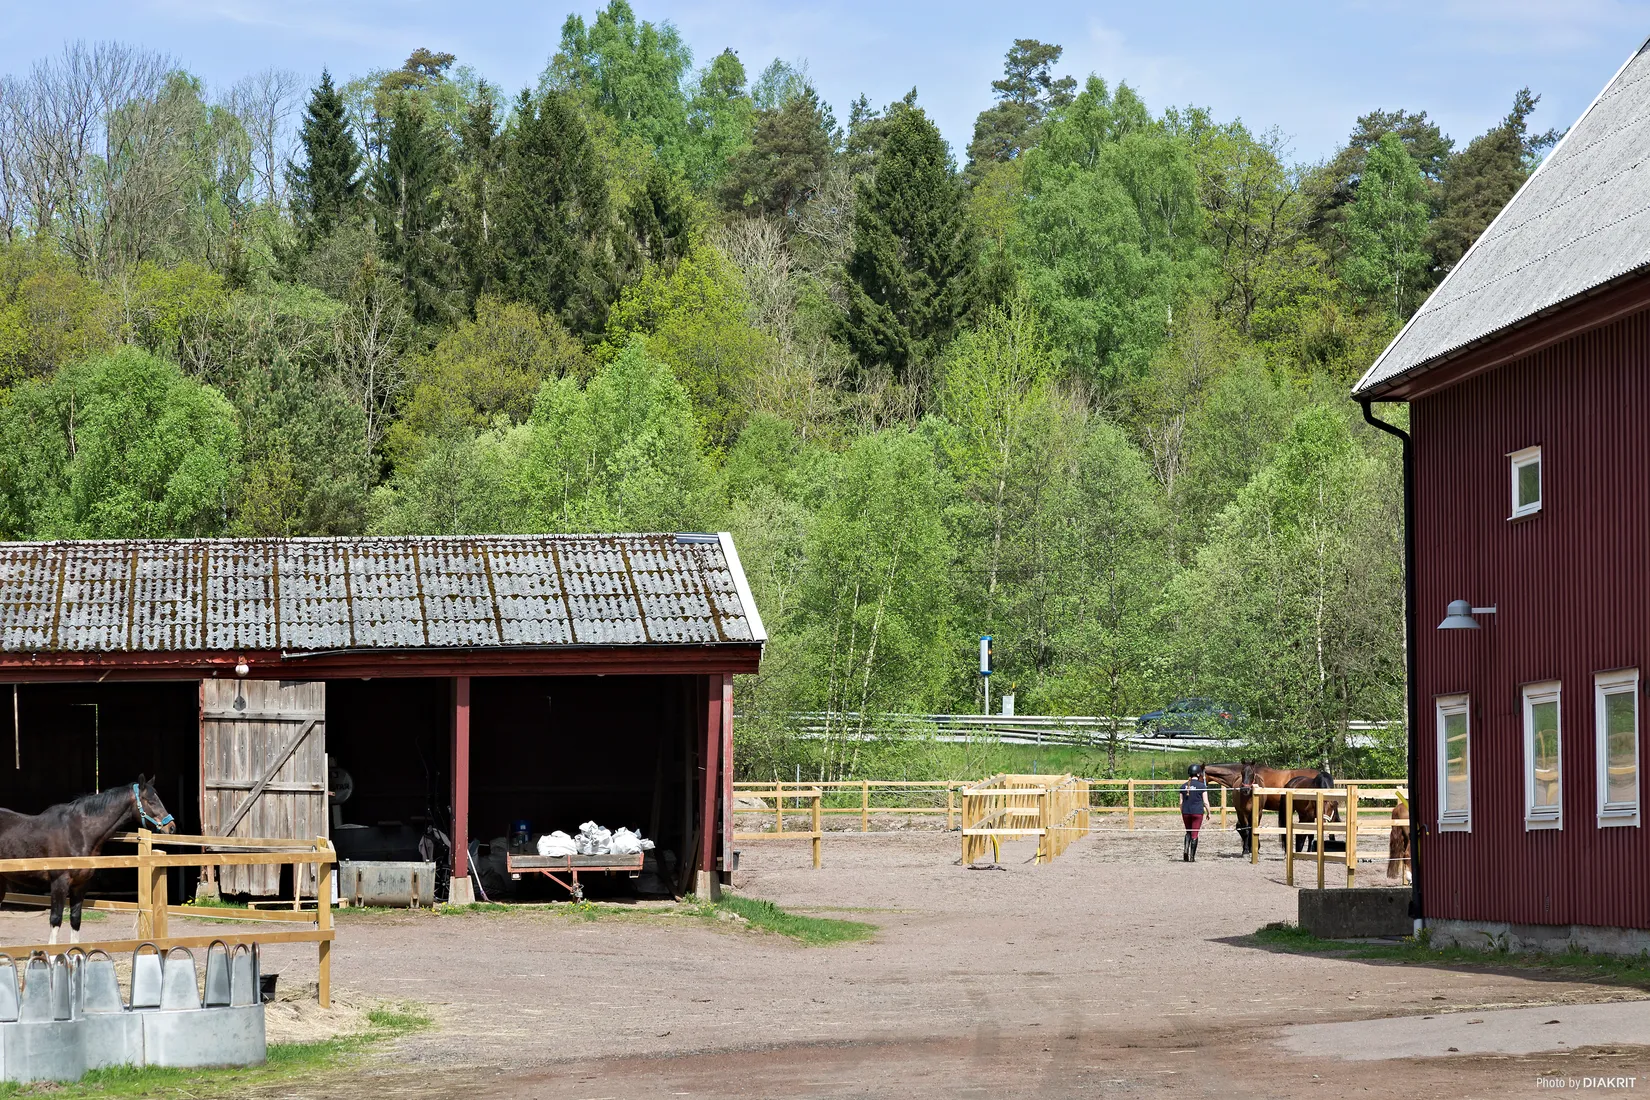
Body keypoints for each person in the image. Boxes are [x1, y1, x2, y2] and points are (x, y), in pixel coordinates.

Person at [1180, 764, 1209, 862]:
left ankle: (1185, 851)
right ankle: (1192, 857)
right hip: (1197, 813)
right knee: (1194, 834)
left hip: (1186, 812)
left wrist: (1183, 812)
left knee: (1188, 832)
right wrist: (1209, 812)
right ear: (1198, 774)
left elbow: (1181, 803)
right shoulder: (1202, 786)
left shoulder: (1183, 786)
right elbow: (1205, 802)